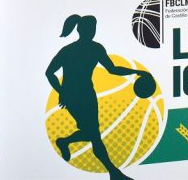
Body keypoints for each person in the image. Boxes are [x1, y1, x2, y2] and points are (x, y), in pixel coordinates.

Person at [45, 15, 150, 180]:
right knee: (94, 135)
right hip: (72, 96)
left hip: (88, 95)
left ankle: (64, 142)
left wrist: (135, 71)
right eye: (90, 29)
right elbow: (49, 72)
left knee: (92, 133)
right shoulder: (69, 50)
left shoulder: (95, 49)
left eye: (93, 29)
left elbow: (112, 69)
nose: (92, 32)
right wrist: (62, 91)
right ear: (82, 30)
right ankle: (114, 173)